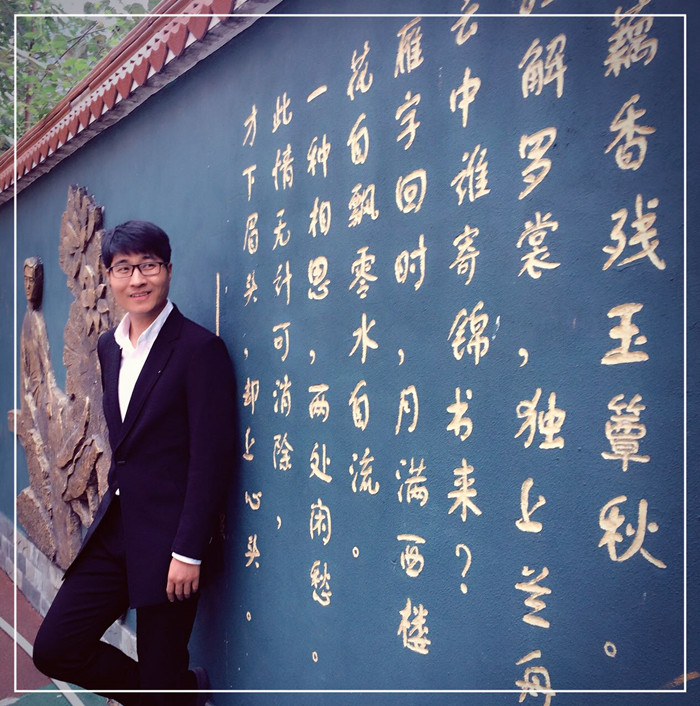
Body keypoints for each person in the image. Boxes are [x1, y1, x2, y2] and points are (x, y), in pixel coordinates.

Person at [33, 220, 237, 706]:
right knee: (55, 648)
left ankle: (169, 692)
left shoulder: (199, 350)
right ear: (108, 276)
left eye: (149, 265)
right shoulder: (109, 347)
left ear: (168, 270)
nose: (137, 279)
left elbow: (211, 459)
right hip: (117, 530)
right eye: (124, 268)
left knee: (159, 669)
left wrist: (188, 552)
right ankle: (180, 695)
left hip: (171, 544)